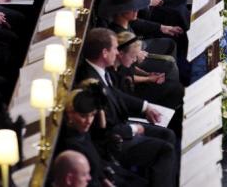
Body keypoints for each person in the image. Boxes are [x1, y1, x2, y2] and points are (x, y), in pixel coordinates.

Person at [75, 28, 177, 187]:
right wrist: (134, 129)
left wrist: (145, 107)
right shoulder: (90, 81)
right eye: (115, 48)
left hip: (121, 126)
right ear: (104, 53)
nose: (117, 53)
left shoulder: (100, 71)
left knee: (168, 135)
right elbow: (106, 128)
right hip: (113, 142)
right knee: (165, 150)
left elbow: (116, 95)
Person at [59, 83, 147, 187]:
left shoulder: (82, 131)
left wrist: (105, 179)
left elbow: (102, 130)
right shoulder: (71, 144)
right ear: (69, 113)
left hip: (104, 173)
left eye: (92, 115)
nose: (88, 121)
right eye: (83, 116)